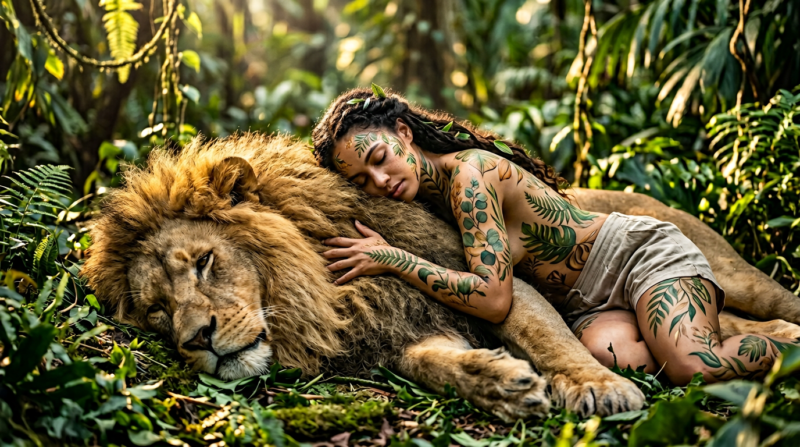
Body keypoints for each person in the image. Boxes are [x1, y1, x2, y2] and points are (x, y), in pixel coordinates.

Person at [311, 87, 797, 385]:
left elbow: (494, 299)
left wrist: (393, 259)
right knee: (622, 363)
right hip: (590, 303)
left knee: (694, 368)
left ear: (403, 132)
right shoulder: (425, 197)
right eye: (360, 181)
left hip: (636, 256)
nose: (378, 182)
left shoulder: (468, 178)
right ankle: (711, 337)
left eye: (379, 159)